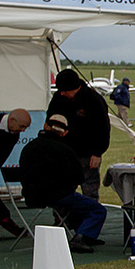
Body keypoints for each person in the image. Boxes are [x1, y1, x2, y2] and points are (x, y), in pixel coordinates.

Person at [18, 113, 107, 254]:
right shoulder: (64, 150)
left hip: (32, 196)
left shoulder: (28, 148)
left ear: (45, 126)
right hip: (58, 195)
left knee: (75, 205)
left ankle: (83, 234)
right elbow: (78, 177)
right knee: (97, 209)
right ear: (65, 132)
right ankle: (82, 237)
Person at [46, 69, 110, 200]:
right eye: (60, 90)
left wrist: (97, 153)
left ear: (74, 87)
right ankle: (62, 220)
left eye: (65, 90)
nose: (62, 93)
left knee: (90, 190)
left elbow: (103, 128)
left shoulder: (93, 99)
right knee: (62, 190)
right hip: (62, 151)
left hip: (87, 154)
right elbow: (50, 118)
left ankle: (91, 219)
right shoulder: (58, 98)